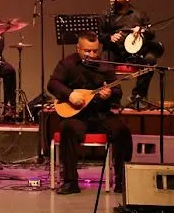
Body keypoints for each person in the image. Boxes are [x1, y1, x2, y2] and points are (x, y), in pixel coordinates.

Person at [47, 31, 132, 194]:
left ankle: (122, 180)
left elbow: (118, 91)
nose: (92, 55)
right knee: (68, 129)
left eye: (94, 51)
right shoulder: (68, 63)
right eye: (87, 51)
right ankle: (70, 182)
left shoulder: (105, 66)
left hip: (100, 114)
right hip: (76, 115)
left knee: (122, 131)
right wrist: (69, 95)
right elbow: (53, 84)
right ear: (78, 48)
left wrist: (110, 94)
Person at [98, 0, 163, 107]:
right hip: (115, 51)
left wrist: (142, 30)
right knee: (104, 60)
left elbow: (152, 33)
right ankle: (113, 98)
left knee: (150, 60)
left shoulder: (138, 15)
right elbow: (100, 35)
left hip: (135, 53)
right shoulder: (106, 15)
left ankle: (138, 96)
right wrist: (110, 37)